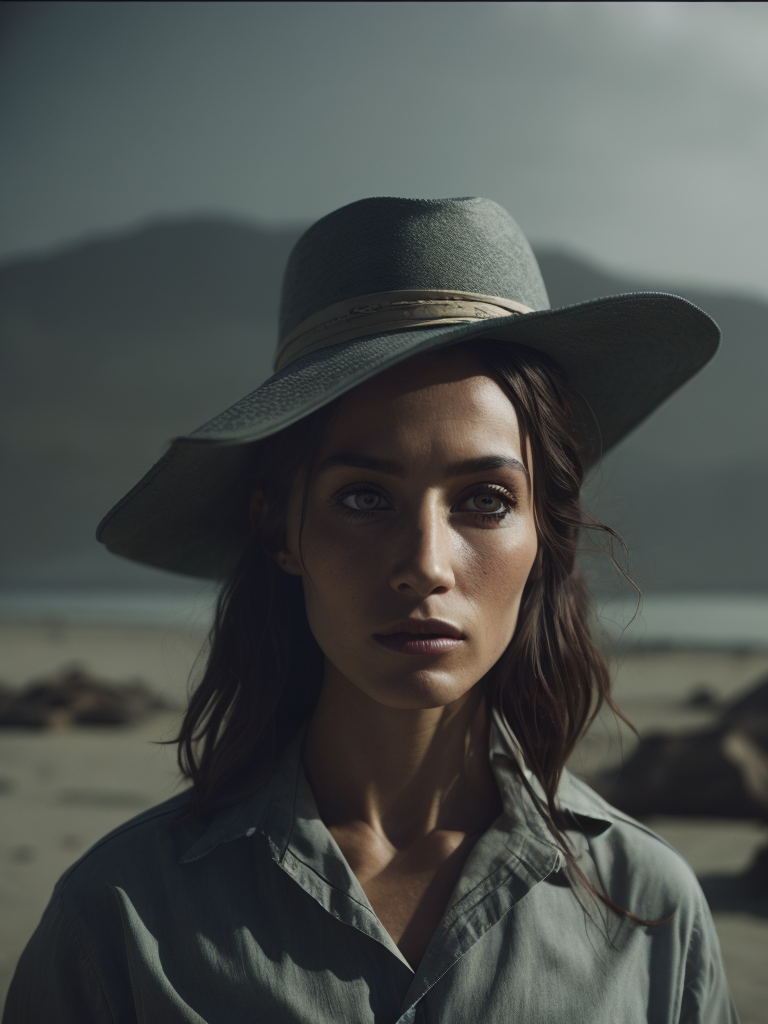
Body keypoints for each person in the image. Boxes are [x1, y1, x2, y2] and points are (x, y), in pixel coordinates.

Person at [3, 197, 739, 1023]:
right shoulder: (124, 915)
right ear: (279, 530)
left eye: (486, 501)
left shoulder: (650, 911)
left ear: (548, 535)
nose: (425, 565)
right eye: (364, 497)